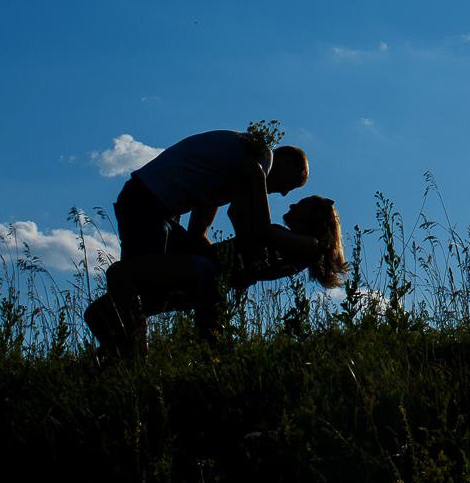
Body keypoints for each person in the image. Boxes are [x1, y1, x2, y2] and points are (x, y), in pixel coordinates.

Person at [84, 128, 326, 359]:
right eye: (291, 183)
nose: (284, 194)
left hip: (157, 208)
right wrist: (229, 260)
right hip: (151, 205)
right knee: (131, 290)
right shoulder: (259, 158)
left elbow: (205, 230)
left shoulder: (226, 172)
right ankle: (130, 355)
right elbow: (252, 226)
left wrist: (217, 263)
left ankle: (126, 356)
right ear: (283, 162)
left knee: (125, 291)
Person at [120, 195, 349, 331]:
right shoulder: (295, 249)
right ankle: (117, 358)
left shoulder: (310, 246)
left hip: (203, 273)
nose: (291, 206)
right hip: (205, 275)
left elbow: (262, 229)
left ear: (314, 217)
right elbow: (241, 219)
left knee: (125, 279)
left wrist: (254, 180)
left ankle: (130, 357)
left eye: (301, 204)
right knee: (120, 310)